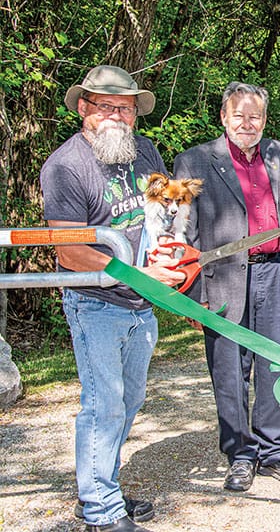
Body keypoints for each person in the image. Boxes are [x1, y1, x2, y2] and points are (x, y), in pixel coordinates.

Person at [40, 65, 186, 532]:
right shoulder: (65, 166)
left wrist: (174, 252)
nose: (117, 116)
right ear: (83, 108)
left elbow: (162, 215)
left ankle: (99, 489)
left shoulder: (144, 152)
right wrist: (140, 272)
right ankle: (101, 512)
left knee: (131, 398)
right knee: (104, 405)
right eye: (106, 106)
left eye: (125, 108)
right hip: (95, 304)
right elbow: (70, 250)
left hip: (140, 303)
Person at [173, 82, 280, 492]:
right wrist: (192, 298)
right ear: (224, 117)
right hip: (221, 281)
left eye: (255, 117)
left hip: (275, 274)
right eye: (239, 116)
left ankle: (275, 451)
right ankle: (240, 455)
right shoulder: (194, 162)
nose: (248, 124)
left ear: (265, 120)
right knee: (229, 371)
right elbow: (184, 235)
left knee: (277, 363)